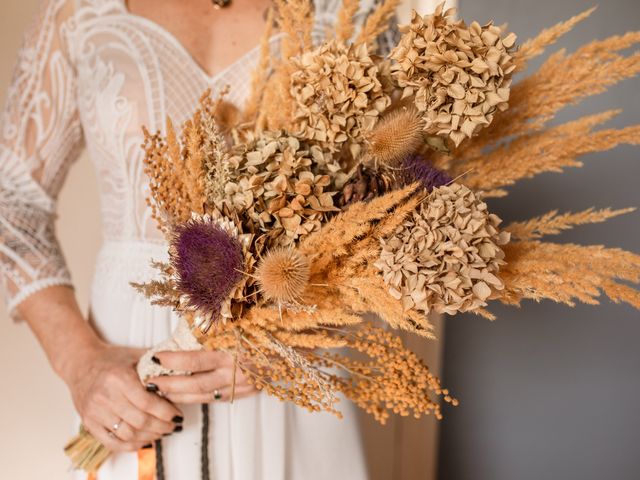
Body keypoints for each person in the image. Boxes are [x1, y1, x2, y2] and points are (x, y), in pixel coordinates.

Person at [0, 0, 398, 478]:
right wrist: (80, 363)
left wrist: (298, 338)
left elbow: (393, 207)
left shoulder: (353, 12)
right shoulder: (78, 12)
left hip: (285, 361)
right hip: (127, 373)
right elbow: (12, 201)